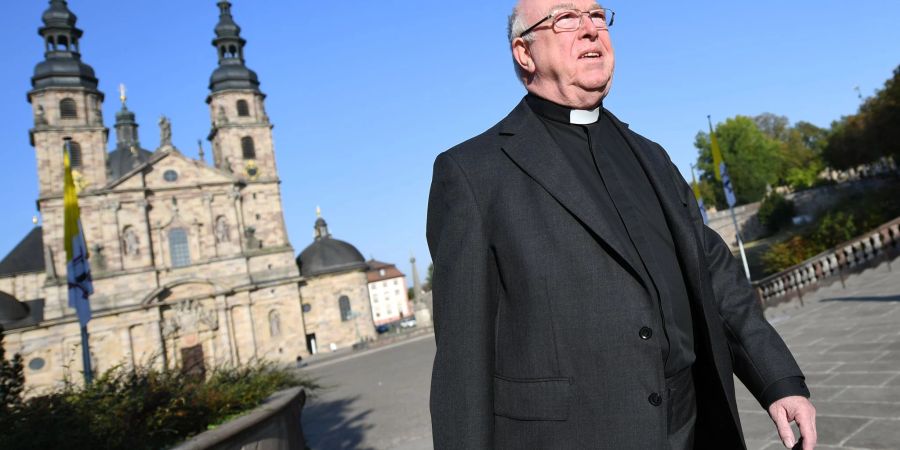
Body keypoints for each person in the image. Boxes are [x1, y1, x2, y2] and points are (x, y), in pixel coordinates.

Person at [425, 1, 817, 449]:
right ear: (524, 53)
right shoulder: (473, 173)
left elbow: (716, 277)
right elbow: (462, 362)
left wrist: (779, 379)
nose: (590, 30)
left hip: (696, 424)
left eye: (596, 16)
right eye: (566, 18)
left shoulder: (651, 156)